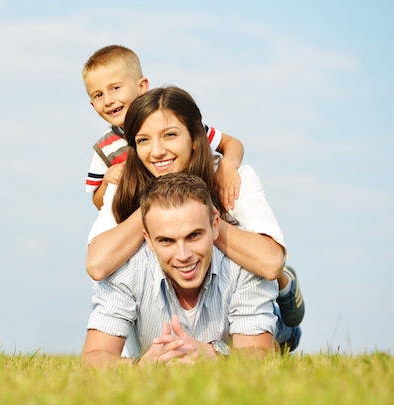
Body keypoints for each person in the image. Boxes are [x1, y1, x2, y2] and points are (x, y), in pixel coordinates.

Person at [86, 86, 305, 336]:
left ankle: (285, 300)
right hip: (173, 311)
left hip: (245, 307)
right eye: (143, 140)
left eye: (169, 135)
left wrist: (201, 216)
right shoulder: (124, 186)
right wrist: (153, 206)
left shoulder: (231, 179)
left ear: (194, 139)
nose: (156, 151)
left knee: (276, 327)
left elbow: (269, 263)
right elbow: (97, 265)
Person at [82, 172, 279, 366]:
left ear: (215, 226)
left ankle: (286, 289)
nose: (183, 255)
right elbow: (94, 356)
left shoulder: (245, 267)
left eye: (194, 236)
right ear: (148, 239)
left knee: (279, 339)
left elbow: (260, 353)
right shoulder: (128, 269)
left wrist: (211, 354)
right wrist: (139, 365)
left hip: (273, 315)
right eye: (166, 240)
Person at [82, 45, 243, 212]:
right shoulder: (105, 148)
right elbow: (98, 203)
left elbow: (231, 143)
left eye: (115, 88)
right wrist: (108, 181)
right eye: (98, 95)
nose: (108, 100)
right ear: (92, 104)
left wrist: (228, 166)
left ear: (142, 86)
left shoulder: (174, 121)